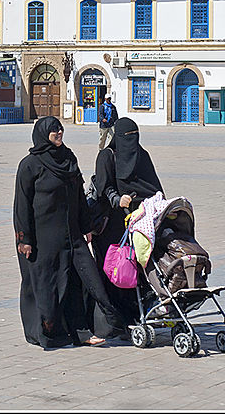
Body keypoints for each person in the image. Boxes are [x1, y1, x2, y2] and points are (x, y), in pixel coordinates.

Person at [13, 116, 121, 348]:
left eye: (60, 129)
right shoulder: (30, 165)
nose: (59, 133)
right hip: (44, 238)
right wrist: (25, 239)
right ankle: (49, 334)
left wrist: (86, 227)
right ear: (43, 134)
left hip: (72, 234)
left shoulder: (68, 159)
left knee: (83, 280)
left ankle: (86, 330)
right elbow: (21, 206)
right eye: (54, 130)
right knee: (49, 286)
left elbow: (80, 196)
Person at [88, 117, 164, 339]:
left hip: (139, 223)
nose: (131, 142)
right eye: (127, 137)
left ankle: (135, 316)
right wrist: (116, 199)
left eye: (135, 136)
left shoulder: (143, 156)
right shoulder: (107, 156)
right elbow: (103, 187)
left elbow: (154, 187)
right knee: (113, 270)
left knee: (135, 273)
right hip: (111, 225)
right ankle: (112, 321)